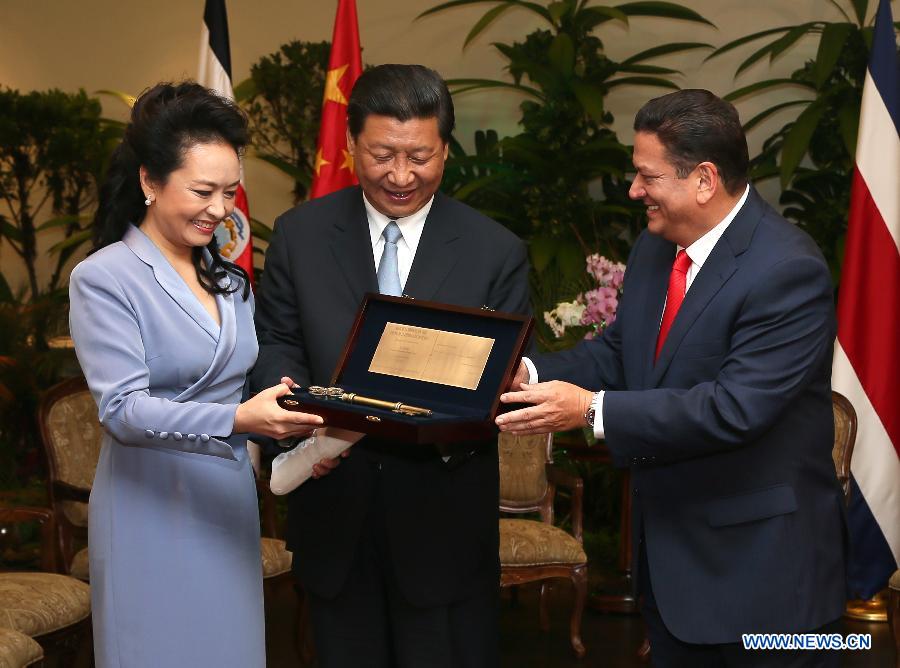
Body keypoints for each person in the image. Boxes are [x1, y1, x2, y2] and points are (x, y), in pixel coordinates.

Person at [496, 90, 846, 666]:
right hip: (676, 568)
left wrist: (590, 411)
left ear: (704, 179)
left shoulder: (789, 270)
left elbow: (735, 409)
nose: (634, 191)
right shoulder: (658, 247)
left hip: (768, 585)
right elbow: (619, 352)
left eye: (646, 176)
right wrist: (527, 373)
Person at [250, 64, 531, 667]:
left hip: (442, 516)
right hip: (333, 503)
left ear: (446, 152)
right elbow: (275, 340)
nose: (400, 175)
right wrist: (294, 417)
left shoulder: (495, 251)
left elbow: (501, 380)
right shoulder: (299, 236)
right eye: (382, 154)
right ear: (351, 147)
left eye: (419, 156)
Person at [68, 82, 323, 668]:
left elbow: (243, 386)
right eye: (202, 190)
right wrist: (238, 418)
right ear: (150, 182)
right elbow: (123, 411)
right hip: (147, 507)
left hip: (225, 501)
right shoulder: (104, 278)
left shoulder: (228, 279)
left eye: (230, 192)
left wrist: (301, 433)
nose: (220, 209)